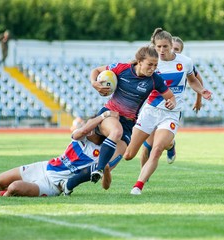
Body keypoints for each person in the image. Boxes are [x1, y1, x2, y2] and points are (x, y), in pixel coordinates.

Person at [65, 45, 175, 195]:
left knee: (108, 166)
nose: (153, 69)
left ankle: (69, 184)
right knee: (116, 131)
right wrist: (94, 82)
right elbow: (96, 71)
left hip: (129, 124)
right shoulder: (122, 68)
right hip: (110, 115)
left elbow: (170, 96)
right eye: (150, 64)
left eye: (155, 65)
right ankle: (94, 168)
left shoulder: (155, 79)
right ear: (139, 62)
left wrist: (171, 102)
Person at [124, 28, 212, 195]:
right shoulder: (151, 61)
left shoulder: (185, 62)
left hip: (171, 113)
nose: (161, 51)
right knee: (129, 154)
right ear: (154, 46)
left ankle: (138, 186)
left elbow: (193, 81)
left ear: (172, 45)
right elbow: (132, 74)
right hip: (150, 111)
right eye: (158, 47)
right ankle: (170, 144)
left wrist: (201, 92)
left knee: (156, 149)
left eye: (165, 46)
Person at [0, 111, 118, 197]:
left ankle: (4, 194)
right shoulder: (81, 136)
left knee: (13, 187)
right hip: (44, 167)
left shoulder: (102, 152)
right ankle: (0, 191)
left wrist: (105, 169)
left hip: (52, 184)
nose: (87, 126)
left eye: (92, 126)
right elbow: (83, 130)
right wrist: (104, 115)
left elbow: (106, 186)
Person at [140, 35, 205, 168]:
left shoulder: (184, 64)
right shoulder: (157, 63)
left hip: (172, 110)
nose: (173, 51)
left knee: (162, 144)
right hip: (153, 107)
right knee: (147, 145)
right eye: (172, 48)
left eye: (177, 49)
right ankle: (143, 178)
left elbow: (198, 81)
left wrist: (199, 100)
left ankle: (171, 145)